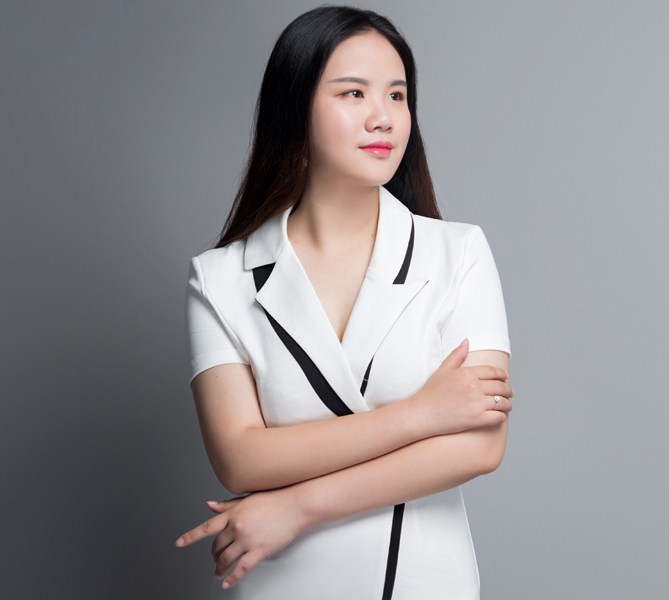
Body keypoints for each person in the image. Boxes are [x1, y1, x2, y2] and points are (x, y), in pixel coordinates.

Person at [177, 6, 514, 599]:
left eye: (397, 95)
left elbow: (480, 445)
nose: (382, 116)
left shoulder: (457, 252)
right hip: (283, 581)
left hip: (420, 579)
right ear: (295, 109)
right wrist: (420, 415)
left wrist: (297, 507)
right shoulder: (220, 278)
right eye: (353, 93)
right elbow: (240, 458)